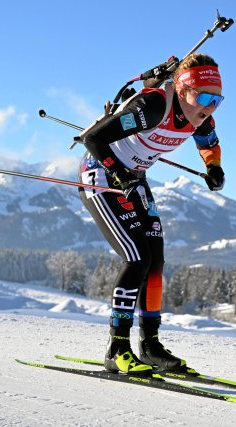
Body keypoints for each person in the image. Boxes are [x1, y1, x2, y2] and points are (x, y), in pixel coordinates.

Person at [78, 53, 226, 375]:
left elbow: (208, 144)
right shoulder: (153, 107)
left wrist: (213, 167)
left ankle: (150, 345)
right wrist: (118, 173)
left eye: (217, 100)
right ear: (183, 89)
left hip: (135, 179)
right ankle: (117, 349)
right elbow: (94, 138)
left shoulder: (202, 118)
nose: (210, 107)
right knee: (136, 258)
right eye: (203, 97)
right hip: (102, 176)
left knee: (155, 260)